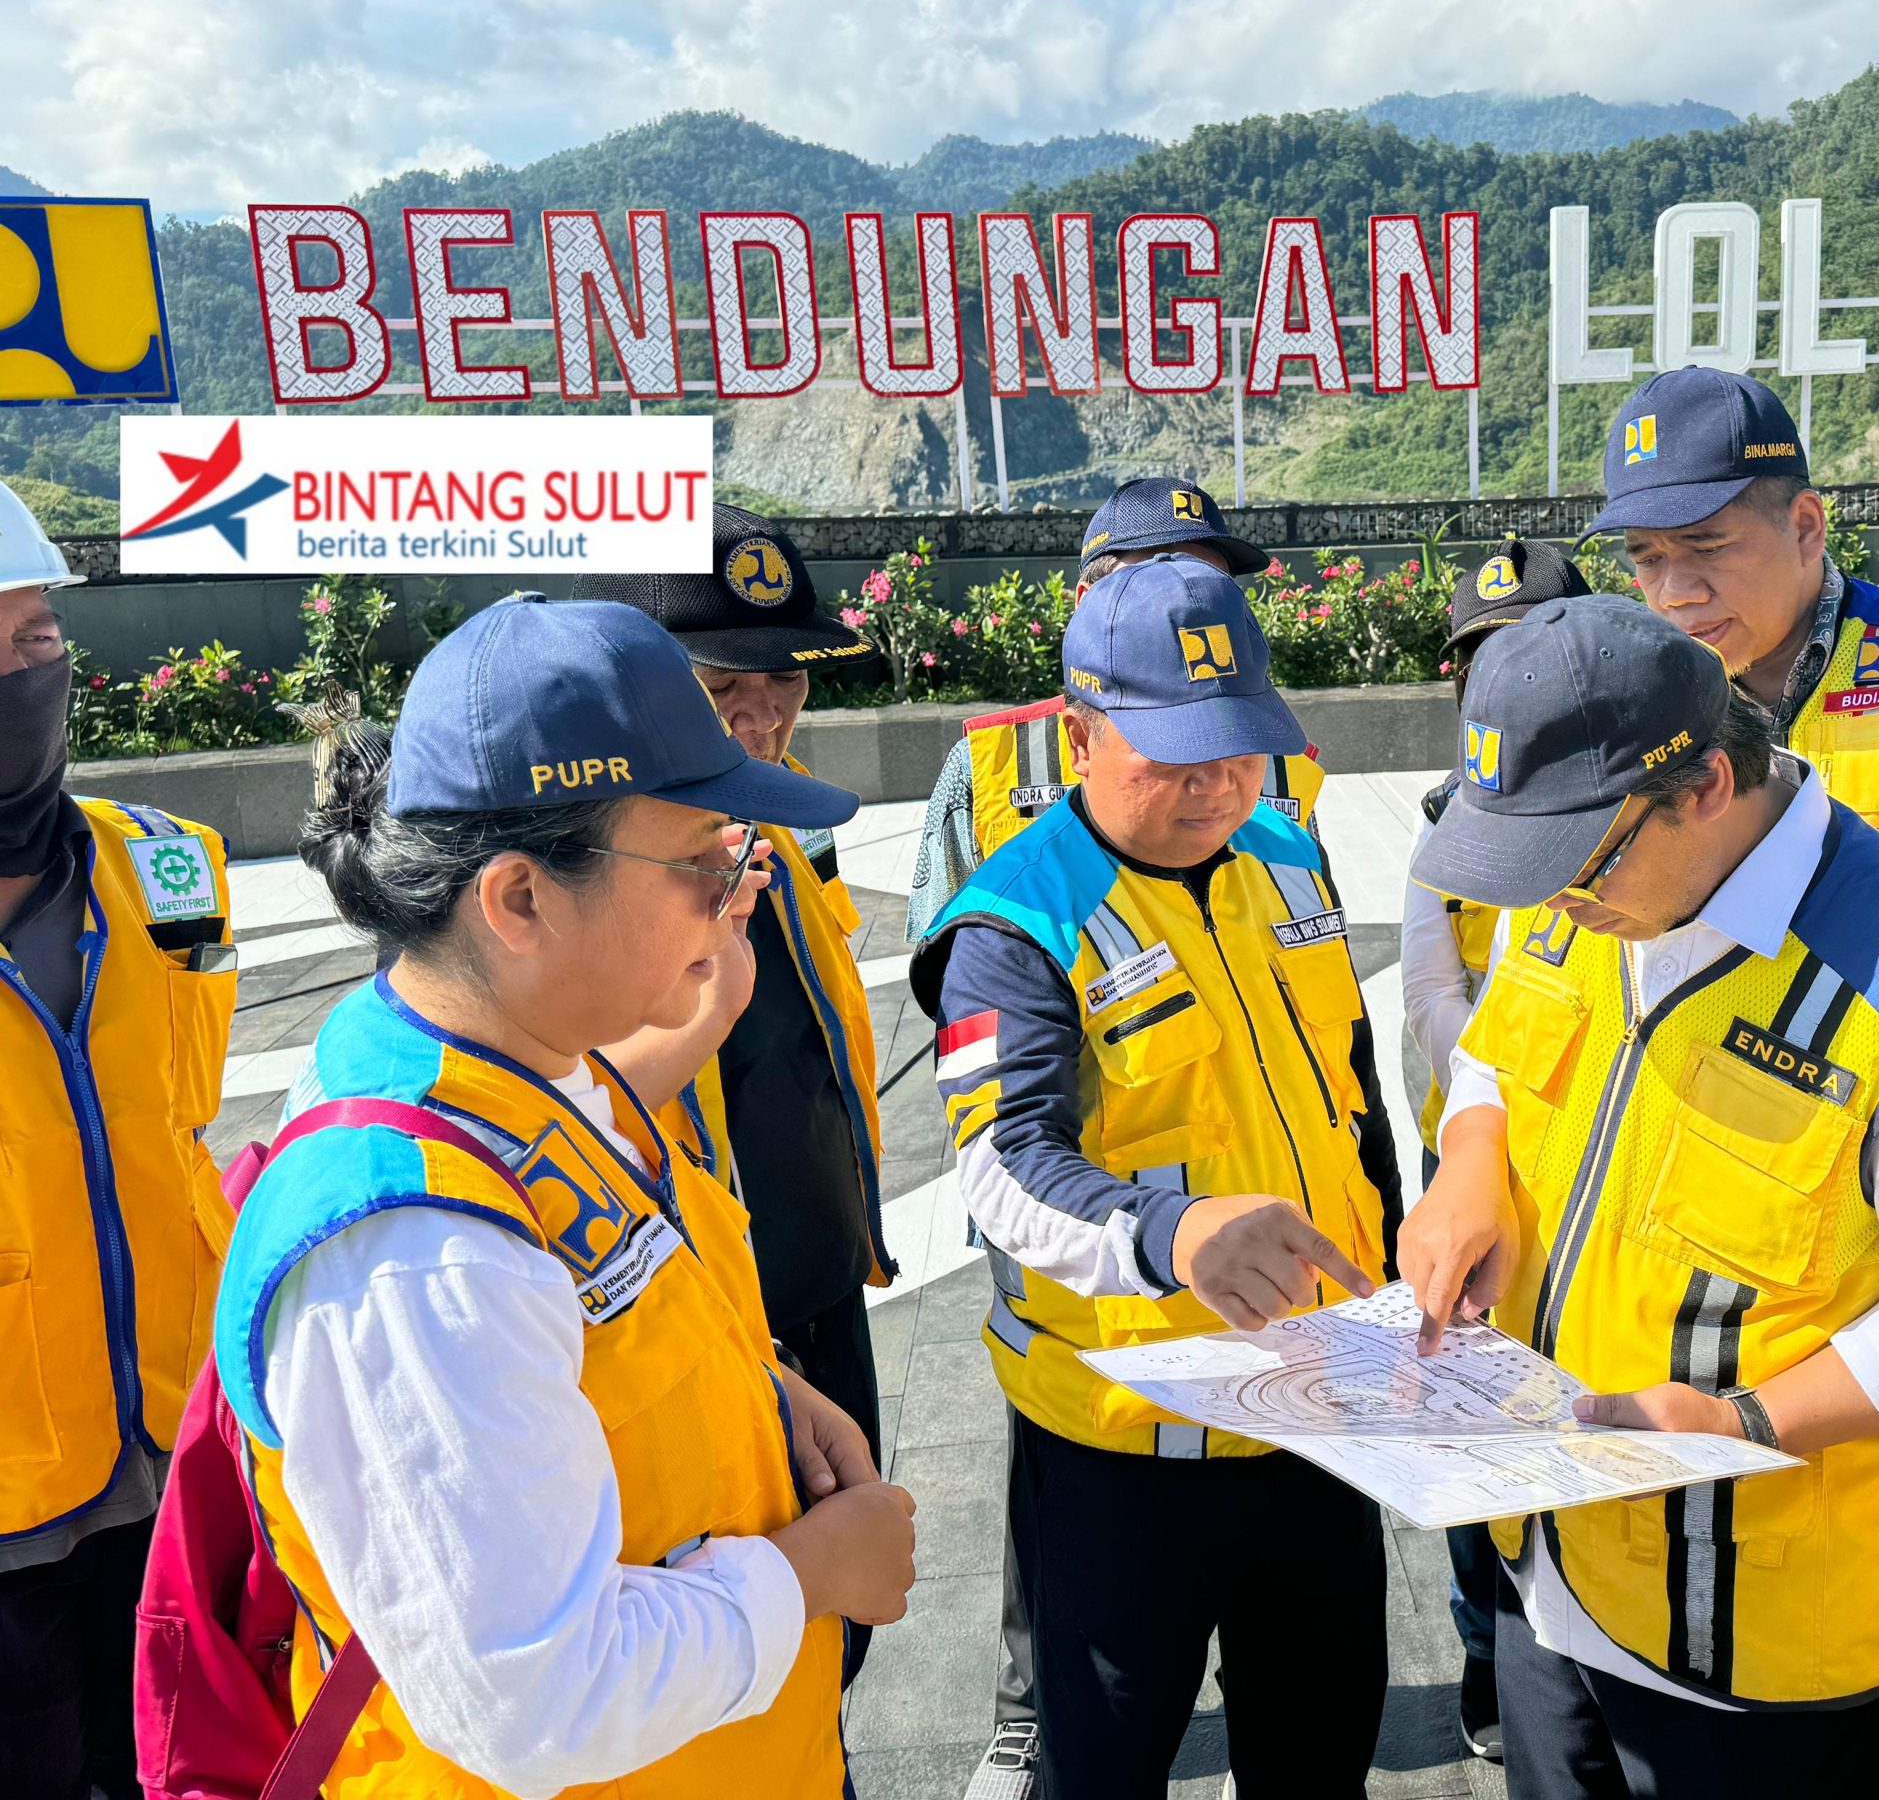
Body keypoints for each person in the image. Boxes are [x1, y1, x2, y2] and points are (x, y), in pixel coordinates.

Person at [212, 594, 915, 1795]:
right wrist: (810, 1574)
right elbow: (532, 1698)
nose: (734, 892)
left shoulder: (535, 1069)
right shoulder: (412, 1251)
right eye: (701, 861)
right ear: (521, 900)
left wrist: (764, 1395)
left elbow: (617, 1318)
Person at [1400, 595, 1879, 1799]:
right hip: (1553, 1567)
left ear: (1704, 784)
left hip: (1762, 1632)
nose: (1550, 902)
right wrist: (1469, 1161)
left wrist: (1743, 1424)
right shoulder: (1587, 885)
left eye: (1575, 866)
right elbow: (1496, 1054)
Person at [1589, 364, 1879, 1794]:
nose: (1673, 593)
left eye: (1706, 549)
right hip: (1703, 1193)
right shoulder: (1639, 684)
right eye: (1646, 558)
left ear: (1805, 525)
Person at [913, 555, 1394, 1797]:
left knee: (1321, 1755)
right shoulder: (1014, 920)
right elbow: (1002, 1169)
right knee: (1105, 1769)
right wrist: (1170, 1234)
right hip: (1127, 1448)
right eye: (1174, 752)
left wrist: (1400, 1275)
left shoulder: (1285, 855)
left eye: (1237, 745)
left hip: (1316, 1411)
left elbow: (1347, 1098)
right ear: (1078, 736)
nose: (1215, 782)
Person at [580, 508, 897, 1567]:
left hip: (819, 1284)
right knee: (751, 1611)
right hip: (693, 1319)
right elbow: (537, 1116)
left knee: (845, 1611)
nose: (764, 713)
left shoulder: (777, 809)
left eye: (786, 676)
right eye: (724, 685)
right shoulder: (582, 871)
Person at [0, 482, 237, 1800]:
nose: (21, 675)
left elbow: (184, 1117)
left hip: (183, 1461)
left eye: (36, 639)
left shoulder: (174, 868)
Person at [1400, 535, 1590, 1763]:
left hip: (1608, 1161)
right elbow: (1433, 989)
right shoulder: (1447, 815)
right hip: (1482, 1158)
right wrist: (1502, 1117)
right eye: (1478, 654)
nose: (1498, 673)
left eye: (1527, 645)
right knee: (1474, 1419)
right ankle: (1490, 1642)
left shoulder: (1641, 786)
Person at [906, 475, 1318, 950]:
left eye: (1210, 584)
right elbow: (944, 948)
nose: (1184, 598)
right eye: (1147, 579)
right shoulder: (983, 765)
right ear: (1086, 603)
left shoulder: (1283, 764)